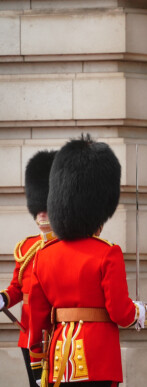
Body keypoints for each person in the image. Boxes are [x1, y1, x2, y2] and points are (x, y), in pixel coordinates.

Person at [27, 135, 147, 387]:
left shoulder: (43, 255)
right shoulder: (108, 253)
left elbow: (37, 318)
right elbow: (120, 312)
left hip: (59, 359)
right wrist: (139, 312)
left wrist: (38, 359)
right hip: (98, 359)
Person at [0, 150, 57, 387]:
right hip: (28, 334)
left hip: (55, 332)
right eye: (39, 207)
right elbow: (17, 287)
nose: (42, 213)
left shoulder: (65, 246)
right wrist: (3, 299)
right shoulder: (26, 247)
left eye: (47, 206)